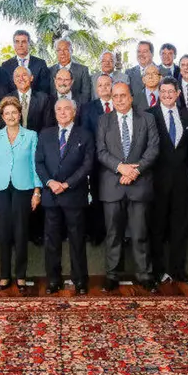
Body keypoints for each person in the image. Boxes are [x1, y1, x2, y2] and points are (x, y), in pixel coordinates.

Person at [96, 82, 159, 292]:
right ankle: (112, 275)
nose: (120, 100)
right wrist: (121, 168)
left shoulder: (147, 118)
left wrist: (135, 171)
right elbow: (101, 151)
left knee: (140, 232)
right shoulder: (103, 120)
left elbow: (153, 149)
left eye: (123, 96)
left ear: (131, 97)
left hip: (139, 184)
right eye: (115, 96)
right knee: (113, 234)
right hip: (112, 185)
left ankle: (145, 274)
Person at [36, 98, 94, 295]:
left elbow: (87, 165)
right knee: (52, 241)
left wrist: (68, 184)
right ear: (54, 112)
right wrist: (50, 183)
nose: (62, 112)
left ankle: (80, 280)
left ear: (74, 112)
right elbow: (39, 163)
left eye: (66, 109)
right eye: (59, 109)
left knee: (77, 240)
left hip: (74, 195)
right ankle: (53, 280)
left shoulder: (85, 134)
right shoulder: (45, 134)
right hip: (51, 195)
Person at [0, 96, 42, 294]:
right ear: (2, 116)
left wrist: (36, 191)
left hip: (23, 188)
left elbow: (36, 165)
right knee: (4, 233)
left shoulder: (31, 136)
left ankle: (21, 276)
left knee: (21, 232)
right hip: (0, 188)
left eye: (14, 112)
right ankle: (4, 275)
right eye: (6, 113)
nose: (11, 116)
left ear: (20, 114)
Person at [148, 77, 188, 284]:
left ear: (178, 94)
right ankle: (157, 271)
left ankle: (178, 270)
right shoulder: (150, 116)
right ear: (158, 93)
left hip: (183, 183)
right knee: (156, 227)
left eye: (170, 92)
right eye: (163, 91)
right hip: (157, 181)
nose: (166, 95)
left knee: (180, 227)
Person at [81, 74, 114, 246]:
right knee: (97, 197)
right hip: (96, 163)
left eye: (107, 84)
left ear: (112, 86)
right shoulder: (88, 108)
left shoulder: (120, 105)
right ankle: (98, 233)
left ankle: (118, 234)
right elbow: (86, 136)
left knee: (117, 201)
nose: (103, 88)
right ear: (96, 88)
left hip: (118, 163)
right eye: (100, 85)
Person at [1, 30, 51, 94]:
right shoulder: (6, 65)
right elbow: (4, 89)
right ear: (14, 44)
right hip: (13, 102)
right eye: (17, 42)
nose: (20, 45)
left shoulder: (40, 64)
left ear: (29, 43)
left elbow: (44, 89)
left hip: (36, 103)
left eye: (23, 42)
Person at [6, 65, 50, 133]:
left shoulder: (43, 98)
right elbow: (3, 124)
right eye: (17, 76)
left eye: (24, 75)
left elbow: (47, 125)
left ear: (31, 78)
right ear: (14, 80)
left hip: (37, 140)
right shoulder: (7, 99)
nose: (21, 78)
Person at [48, 38, 92, 105]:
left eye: (65, 49)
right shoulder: (49, 71)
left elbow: (86, 95)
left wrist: (73, 111)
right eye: (59, 50)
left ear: (71, 51)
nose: (62, 53)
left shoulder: (83, 70)